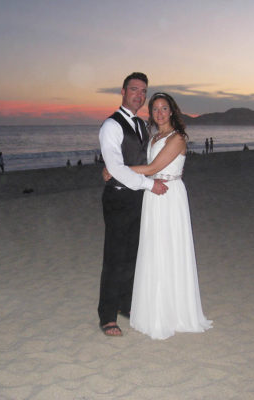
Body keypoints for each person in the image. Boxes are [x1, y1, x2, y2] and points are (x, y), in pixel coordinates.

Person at [107, 92, 212, 340]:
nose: (160, 113)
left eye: (164, 108)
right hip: (152, 194)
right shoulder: (155, 137)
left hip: (170, 195)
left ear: (172, 111)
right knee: (154, 248)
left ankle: (174, 312)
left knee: (170, 248)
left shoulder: (177, 138)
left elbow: (154, 168)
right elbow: (148, 169)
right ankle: (155, 307)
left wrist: (116, 170)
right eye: (155, 109)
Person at [98, 72, 168, 337]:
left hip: (139, 197)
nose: (139, 95)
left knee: (132, 255)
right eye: (134, 90)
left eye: (143, 92)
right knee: (115, 257)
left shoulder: (141, 125)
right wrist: (150, 184)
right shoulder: (111, 126)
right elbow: (115, 166)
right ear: (123, 92)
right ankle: (106, 315)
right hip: (118, 198)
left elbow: (144, 161)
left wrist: (147, 180)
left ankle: (124, 304)